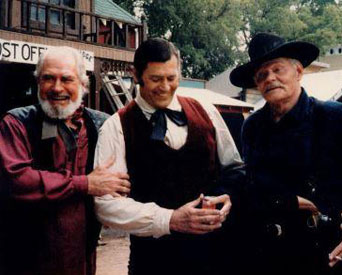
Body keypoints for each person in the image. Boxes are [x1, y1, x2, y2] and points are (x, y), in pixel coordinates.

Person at [230, 33, 342, 275]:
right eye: (262, 74)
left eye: (277, 69)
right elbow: (251, 185)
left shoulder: (333, 117)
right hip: (265, 255)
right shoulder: (252, 127)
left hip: (322, 255)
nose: (270, 78)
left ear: (298, 72)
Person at [94, 38, 244, 275]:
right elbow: (106, 205)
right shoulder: (116, 127)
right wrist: (170, 219)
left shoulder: (206, 111)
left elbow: (235, 170)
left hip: (214, 258)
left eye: (171, 78)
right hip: (153, 263)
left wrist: (227, 197)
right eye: (155, 79)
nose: (164, 86)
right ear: (136, 74)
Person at [0, 46, 130, 275]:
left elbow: (122, 178)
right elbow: (16, 181)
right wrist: (86, 184)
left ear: (83, 85)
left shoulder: (100, 126)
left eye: (67, 79)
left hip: (78, 261)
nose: (57, 87)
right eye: (48, 78)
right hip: (18, 263)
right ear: (38, 83)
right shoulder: (16, 123)